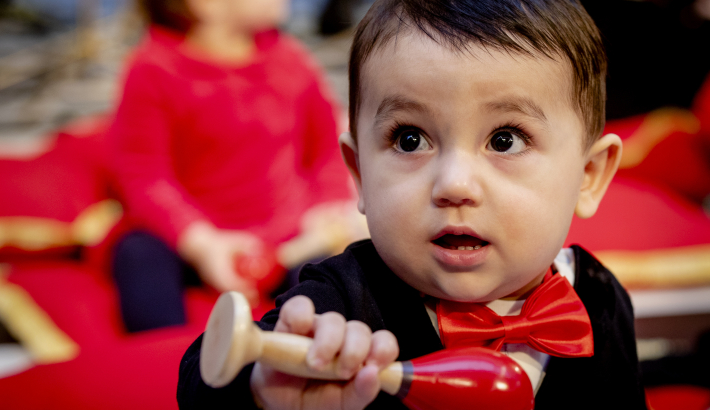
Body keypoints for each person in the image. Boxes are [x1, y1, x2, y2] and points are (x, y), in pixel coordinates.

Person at [178, 0, 648, 408]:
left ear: (589, 177)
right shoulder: (343, 300)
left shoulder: (598, 296)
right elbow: (201, 379)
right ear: (359, 173)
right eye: (410, 139)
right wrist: (263, 389)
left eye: (505, 140)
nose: (454, 184)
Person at [109, 0, 356, 333]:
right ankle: (165, 356)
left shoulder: (291, 60)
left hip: (285, 236)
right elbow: (144, 177)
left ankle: (306, 347)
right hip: (196, 236)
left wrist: (325, 207)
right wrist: (203, 244)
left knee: (336, 278)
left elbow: (326, 146)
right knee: (138, 254)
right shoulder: (151, 70)